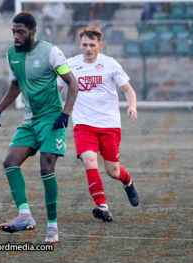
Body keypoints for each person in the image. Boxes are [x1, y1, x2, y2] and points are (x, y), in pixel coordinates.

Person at [0, 12, 78, 243]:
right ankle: (25, 215)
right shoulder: (12, 54)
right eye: (13, 32)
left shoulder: (50, 51)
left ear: (33, 31)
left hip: (52, 119)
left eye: (21, 32)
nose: (16, 37)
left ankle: (52, 227)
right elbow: (15, 85)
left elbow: (72, 83)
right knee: (10, 162)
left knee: (46, 167)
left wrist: (65, 113)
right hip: (30, 120)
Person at [57, 26, 140, 222]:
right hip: (83, 125)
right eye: (84, 44)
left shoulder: (110, 64)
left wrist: (132, 106)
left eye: (92, 45)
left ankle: (128, 181)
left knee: (112, 171)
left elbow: (128, 89)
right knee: (89, 161)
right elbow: (57, 90)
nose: (87, 48)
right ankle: (102, 206)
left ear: (100, 46)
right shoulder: (70, 65)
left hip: (109, 125)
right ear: (80, 45)